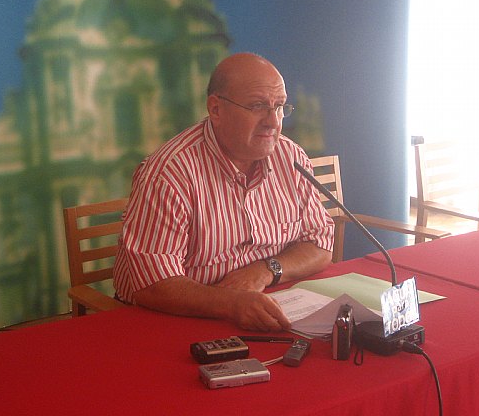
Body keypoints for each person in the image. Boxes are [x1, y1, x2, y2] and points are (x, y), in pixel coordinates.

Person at [113, 53, 335, 331]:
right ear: (216, 109)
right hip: (166, 317)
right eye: (258, 106)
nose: (273, 122)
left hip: (260, 304)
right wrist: (232, 303)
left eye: (279, 107)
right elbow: (152, 284)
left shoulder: (291, 158)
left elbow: (320, 244)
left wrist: (266, 270)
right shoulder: (170, 173)